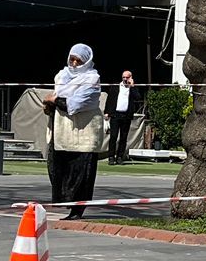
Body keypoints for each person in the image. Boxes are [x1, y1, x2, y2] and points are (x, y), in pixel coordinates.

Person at [44, 43, 105, 220]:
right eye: (73, 59)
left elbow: (78, 103)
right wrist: (53, 102)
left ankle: (77, 211)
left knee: (81, 171)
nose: (75, 63)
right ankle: (64, 202)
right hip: (62, 130)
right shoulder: (61, 76)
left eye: (79, 60)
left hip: (84, 131)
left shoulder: (92, 79)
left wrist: (56, 100)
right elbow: (57, 100)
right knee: (57, 168)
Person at [107, 70, 144, 164]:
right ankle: (111, 157)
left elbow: (138, 97)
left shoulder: (131, 88)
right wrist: (107, 112)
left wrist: (132, 86)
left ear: (130, 78)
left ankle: (120, 157)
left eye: (127, 77)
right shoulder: (116, 87)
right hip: (115, 115)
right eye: (123, 77)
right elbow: (110, 100)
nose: (125, 79)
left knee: (123, 137)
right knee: (113, 136)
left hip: (126, 116)